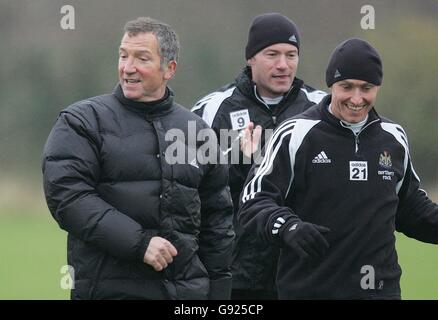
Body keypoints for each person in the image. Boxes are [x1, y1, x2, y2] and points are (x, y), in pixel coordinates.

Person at [42, 17, 234, 300]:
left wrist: (219, 294)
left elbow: (217, 222)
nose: (128, 68)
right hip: (108, 292)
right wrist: (139, 243)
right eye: (123, 56)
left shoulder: (198, 132)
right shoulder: (82, 121)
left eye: (141, 58)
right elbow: (67, 196)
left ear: (169, 68)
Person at [238, 38, 438, 299]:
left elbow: (410, 208)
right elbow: (253, 201)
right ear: (331, 85)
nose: (357, 98)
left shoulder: (393, 137)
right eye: (347, 87)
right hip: (311, 292)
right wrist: (288, 227)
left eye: (366, 88)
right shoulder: (296, 134)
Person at [192, 13, 326, 299]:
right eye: (272, 54)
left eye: (291, 55)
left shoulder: (321, 109)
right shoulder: (212, 110)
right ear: (251, 58)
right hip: (234, 273)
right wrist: (240, 163)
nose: (283, 64)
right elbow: (190, 189)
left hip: (302, 272)